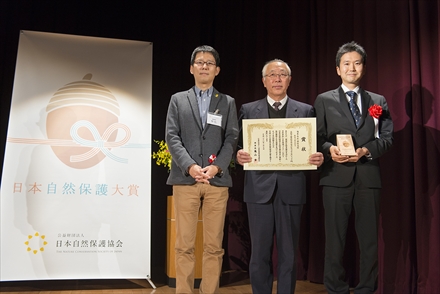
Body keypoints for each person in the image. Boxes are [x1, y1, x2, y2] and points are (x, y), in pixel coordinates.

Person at [236, 59, 324, 293]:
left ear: (289, 80)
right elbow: (238, 146)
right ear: (264, 81)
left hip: (291, 189)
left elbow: (314, 146)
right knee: (259, 253)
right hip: (258, 190)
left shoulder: (305, 110)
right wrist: (239, 156)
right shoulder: (248, 110)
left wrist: (318, 157)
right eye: (272, 75)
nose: (277, 79)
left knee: (288, 253)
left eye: (282, 74)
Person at [314, 41, 393, 294]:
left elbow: (387, 137)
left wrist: (366, 150)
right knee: (335, 241)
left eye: (357, 63)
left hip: (368, 178)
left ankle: (366, 289)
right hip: (335, 178)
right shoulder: (324, 100)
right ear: (338, 69)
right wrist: (330, 150)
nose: (352, 68)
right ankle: (335, 288)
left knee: (369, 241)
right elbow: (316, 137)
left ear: (364, 67)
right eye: (346, 63)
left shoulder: (377, 101)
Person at [165, 45, 239, 293]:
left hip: (216, 183)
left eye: (209, 62)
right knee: (184, 245)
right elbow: (172, 137)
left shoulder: (227, 102)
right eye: (199, 62)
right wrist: (190, 166)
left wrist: (217, 167)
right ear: (191, 68)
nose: (204, 66)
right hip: (185, 180)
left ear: (217, 70)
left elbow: (231, 139)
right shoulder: (178, 99)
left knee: (213, 246)